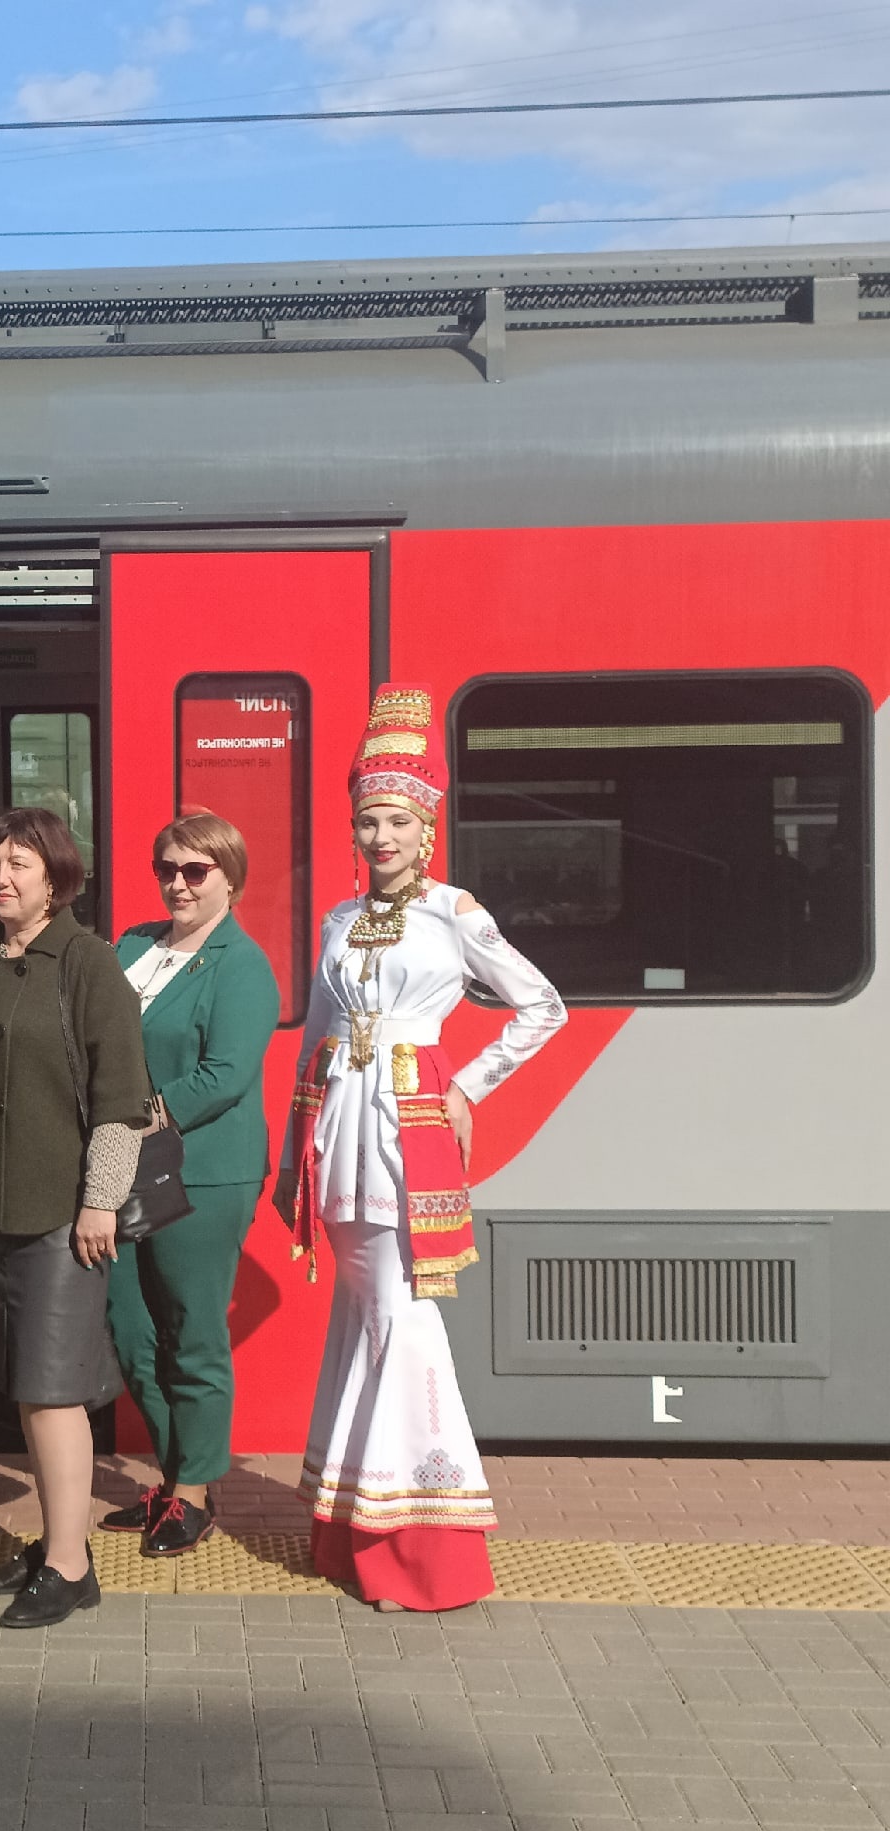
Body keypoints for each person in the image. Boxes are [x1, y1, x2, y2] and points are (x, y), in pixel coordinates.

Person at [279, 686, 565, 1613]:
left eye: (397, 818)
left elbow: (541, 1005)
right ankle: (357, 1529)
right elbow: (317, 1037)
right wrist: (294, 1152)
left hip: (408, 1137)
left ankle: (422, 1547)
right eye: (369, 820)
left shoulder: (455, 914)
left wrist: (464, 1083)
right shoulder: (333, 922)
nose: (381, 836)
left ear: (426, 824)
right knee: (363, 1321)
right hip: (341, 1136)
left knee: (405, 1322)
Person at [0, 805, 155, 1629]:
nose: (0, 876)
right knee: (26, 1385)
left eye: (20, 862)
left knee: (55, 1391)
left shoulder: (88, 964)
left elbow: (120, 1099)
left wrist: (101, 1199)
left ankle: (68, 1564)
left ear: (58, 876)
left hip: (62, 1214)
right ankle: (62, 1541)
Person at [102, 811, 281, 1558]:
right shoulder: (135, 945)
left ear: (229, 879)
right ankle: (180, 1476)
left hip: (205, 1167)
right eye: (167, 868)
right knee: (129, 1327)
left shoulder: (244, 964)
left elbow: (226, 1075)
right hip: (123, 1163)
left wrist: (128, 1116)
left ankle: (194, 1491)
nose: (177, 882)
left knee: (192, 1329)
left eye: (195, 870)